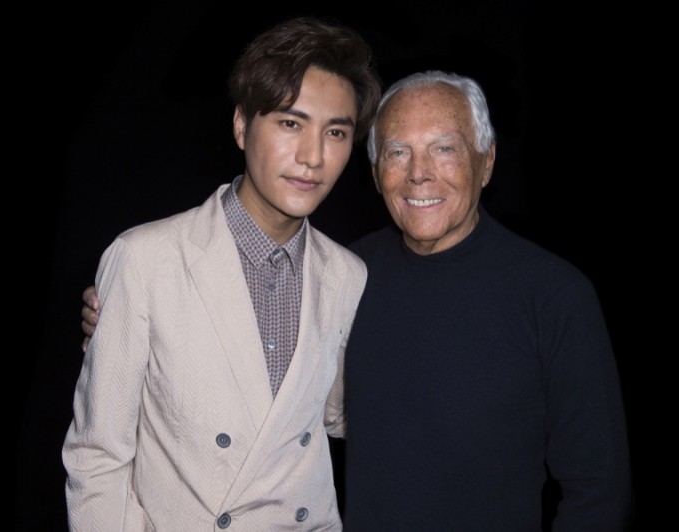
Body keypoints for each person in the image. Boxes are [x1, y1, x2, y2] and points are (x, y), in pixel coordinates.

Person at [81, 70, 634, 529]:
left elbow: (598, 490)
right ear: (375, 173)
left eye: (444, 148)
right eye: (398, 152)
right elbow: (289, 391)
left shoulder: (556, 296)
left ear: (486, 161)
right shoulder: (347, 275)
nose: (420, 174)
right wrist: (129, 320)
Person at [62, 16, 381, 531]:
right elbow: (96, 456)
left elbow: (336, 416)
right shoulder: (147, 259)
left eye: (336, 132)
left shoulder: (348, 276)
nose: (313, 157)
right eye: (290, 123)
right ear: (241, 125)